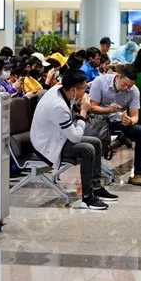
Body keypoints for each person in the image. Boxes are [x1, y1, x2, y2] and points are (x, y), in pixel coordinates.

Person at [30, 69, 118, 210]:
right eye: (84, 89)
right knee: (87, 149)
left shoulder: (61, 89)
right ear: (73, 90)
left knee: (96, 142)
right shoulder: (58, 106)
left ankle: (96, 188)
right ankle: (87, 198)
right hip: (47, 145)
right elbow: (75, 137)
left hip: (57, 136)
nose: (86, 92)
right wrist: (83, 111)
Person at [89, 64, 141, 187]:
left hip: (119, 121)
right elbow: (92, 107)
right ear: (118, 77)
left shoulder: (134, 90)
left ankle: (138, 174)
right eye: (124, 84)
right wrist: (108, 110)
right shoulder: (100, 82)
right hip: (99, 121)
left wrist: (131, 121)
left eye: (129, 86)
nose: (126, 88)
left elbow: (135, 116)